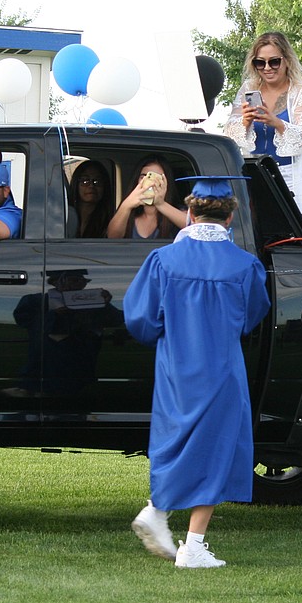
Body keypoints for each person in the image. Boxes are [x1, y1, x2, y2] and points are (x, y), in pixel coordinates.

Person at [124, 176, 270, 569]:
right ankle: (192, 544)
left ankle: (159, 511)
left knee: (177, 440)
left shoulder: (163, 261)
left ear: (189, 212)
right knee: (216, 450)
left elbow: (140, 320)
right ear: (231, 215)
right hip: (221, 369)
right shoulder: (245, 266)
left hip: (176, 367)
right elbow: (251, 317)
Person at [225, 32, 302, 247]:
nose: (267, 68)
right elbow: (230, 134)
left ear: (286, 60)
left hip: (295, 178)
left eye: (273, 61)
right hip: (259, 177)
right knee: (261, 237)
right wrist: (245, 121)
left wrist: (277, 123)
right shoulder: (248, 89)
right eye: (260, 62)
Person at [106, 156, 188, 240]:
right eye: (143, 176)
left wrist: (161, 204)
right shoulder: (128, 213)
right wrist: (126, 205)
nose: (150, 183)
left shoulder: (178, 212)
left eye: (157, 178)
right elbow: (113, 237)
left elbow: (196, 228)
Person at [70, 160, 114, 238]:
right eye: (85, 181)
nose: (91, 186)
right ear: (76, 184)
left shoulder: (111, 222)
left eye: (97, 181)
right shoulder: (65, 216)